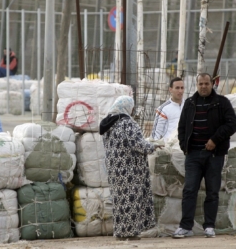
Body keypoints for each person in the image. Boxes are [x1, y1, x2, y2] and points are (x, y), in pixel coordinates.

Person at [173, 73, 236, 239]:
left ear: (212, 84)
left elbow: (231, 124)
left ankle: (209, 226)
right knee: (189, 190)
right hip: (193, 154)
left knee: (212, 191)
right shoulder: (190, 103)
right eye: (200, 84)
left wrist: (215, 140)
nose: (203, 86)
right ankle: (185, 226)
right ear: (197, 84)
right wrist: (183, 145)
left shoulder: (221, 103)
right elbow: (182, 127)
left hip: (214, 155)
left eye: (206, 83)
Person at [100, 95, 161, 241]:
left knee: (119, 200)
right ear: (127, 106)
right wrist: (153, 146)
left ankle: (121, 232)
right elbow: (137, 144)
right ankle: (130, 232)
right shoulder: (127, 123)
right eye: (132, 106)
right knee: (131, 199)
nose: (133, 110)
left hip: (115, 168)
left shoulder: (108, 123)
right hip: (129, 168)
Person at [151, 77, 185, 141]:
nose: (180, 91)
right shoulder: (163, 109)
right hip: (170, 147)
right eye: (177, 88)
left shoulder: (189, 106)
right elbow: (156, 134)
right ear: (170, 89)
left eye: (182, 88)